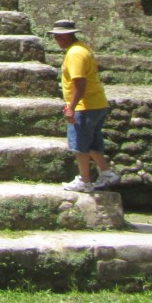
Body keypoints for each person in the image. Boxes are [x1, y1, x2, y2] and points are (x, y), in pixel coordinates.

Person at [51, 20, 120, 193]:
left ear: (65, 35)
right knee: (92, 143)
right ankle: (106, 172)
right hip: (97, 104)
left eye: (57, 36)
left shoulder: (75, 54)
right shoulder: (82, 48)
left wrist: (71, 107)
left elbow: (79, 83)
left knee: (80, 146)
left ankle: (85, 180)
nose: (55, 40)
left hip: (85, 106)